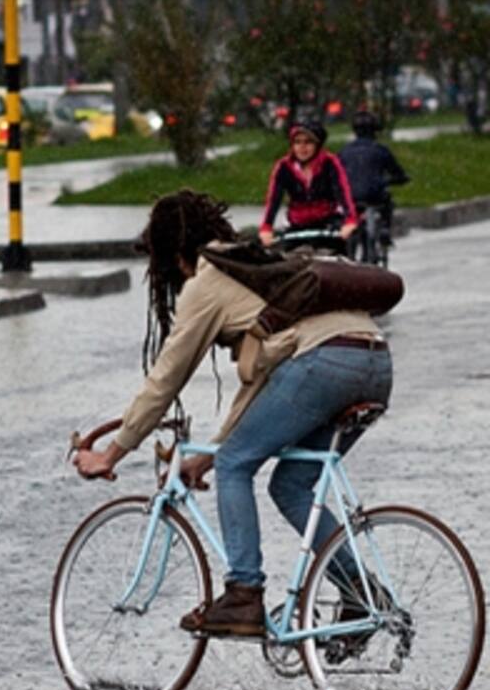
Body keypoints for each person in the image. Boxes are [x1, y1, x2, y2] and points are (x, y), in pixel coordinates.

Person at [74, 190, 393, 636]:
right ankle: (361, 592)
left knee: (235, 467)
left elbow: (166, 377)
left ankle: (243, 593)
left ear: (173, 255)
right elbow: (262, 384)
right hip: (374, 361)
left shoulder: (207, 282)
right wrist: (211, 454)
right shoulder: (253, 266)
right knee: (292, 483)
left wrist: (111, 454)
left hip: (325, 363)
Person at [258, 120, 358, 248]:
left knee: (337, 258)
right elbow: (273, 199)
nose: (302, 147)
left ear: (318, 145)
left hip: (327, 224)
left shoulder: (330, 162)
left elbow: (342, 191)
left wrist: (350, 220)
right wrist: (266, 227)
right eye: (297, 142)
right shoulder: (284, 166)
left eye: (308, 142)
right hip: (297, 225)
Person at [338, 110, 409, 247]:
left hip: (351, 196)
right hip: (374, 194)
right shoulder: (380, 150)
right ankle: (385, 229)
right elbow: (397, 172)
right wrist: (400, 179)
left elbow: (334, 173)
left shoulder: (344, 152)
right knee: (387, 202)